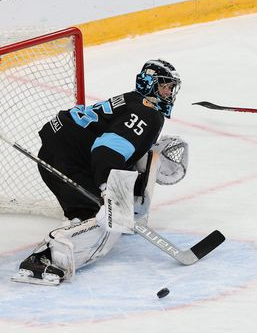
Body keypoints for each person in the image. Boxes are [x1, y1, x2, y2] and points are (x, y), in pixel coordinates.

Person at [13, 59, 190, 286]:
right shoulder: (148, 113)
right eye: (164, 86)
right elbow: (106, 150)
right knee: (107, 223)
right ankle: (45, 256)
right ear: (149, 83)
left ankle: (91, 219)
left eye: (171, 87)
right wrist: (109, 191)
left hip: (61, 154)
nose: (168, 92)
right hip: (71, 160)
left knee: (94, 211)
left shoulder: (134, 101)